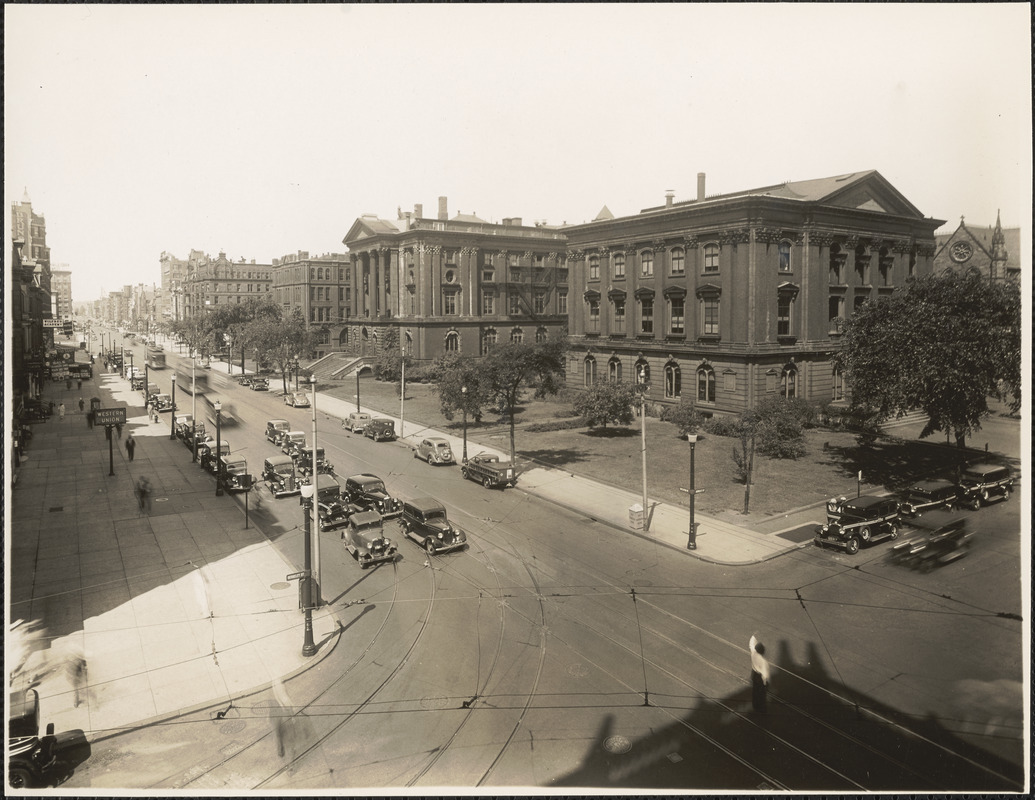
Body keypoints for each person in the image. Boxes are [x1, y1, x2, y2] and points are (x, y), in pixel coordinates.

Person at [749, 634, 770, 713]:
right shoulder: (763, 661)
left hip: (754, 674)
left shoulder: (753, 653)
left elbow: (751, 645)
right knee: (761, 693)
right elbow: (765, 674)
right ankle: (761, 708)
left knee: (755, 691)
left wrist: (753, 636)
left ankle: (755, 706)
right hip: (760, 677)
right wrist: (765, 683)